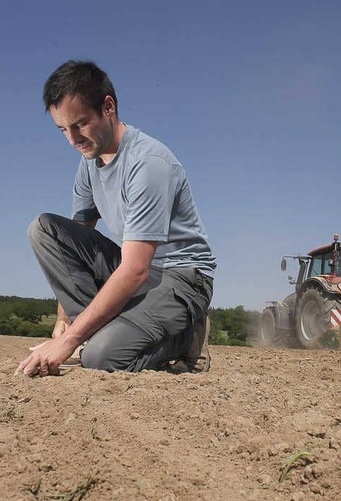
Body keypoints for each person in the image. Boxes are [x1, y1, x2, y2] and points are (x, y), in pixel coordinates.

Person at [17, 60, 216, 377]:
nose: (72, 139)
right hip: (135, 268)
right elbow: (72, 245)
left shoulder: (148, 164)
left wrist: (70, 341)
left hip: (180, 277)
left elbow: (135, 270)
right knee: (44, 230)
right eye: (62, 130)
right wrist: (63, 320)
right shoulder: (89, 161)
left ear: (108, 107)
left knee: (99, 357)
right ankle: (103, 334)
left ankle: (185, 337)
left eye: (80, 124)